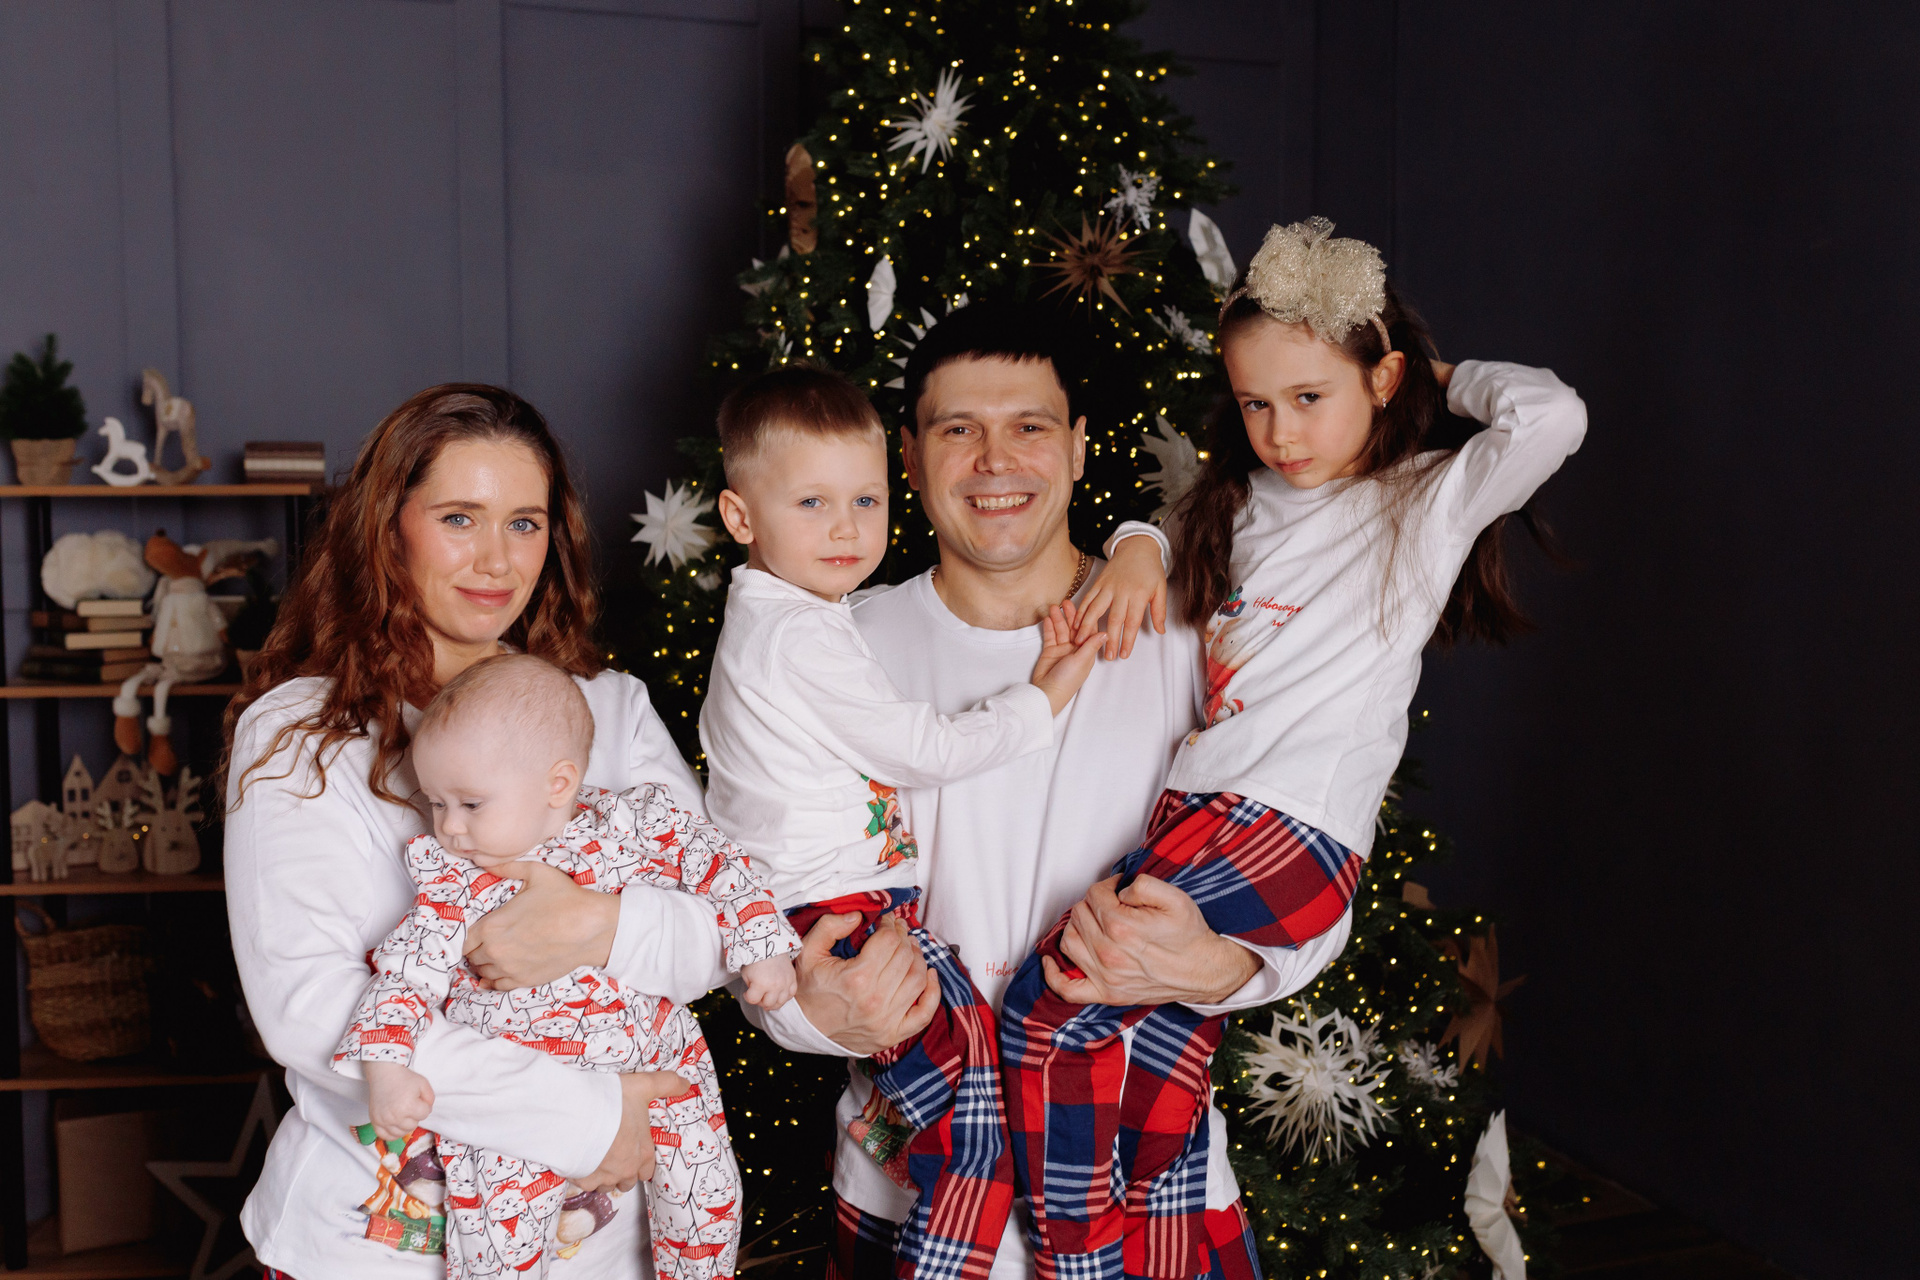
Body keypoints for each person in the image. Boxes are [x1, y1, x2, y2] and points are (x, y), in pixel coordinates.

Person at [997, 218, 1588, 1280]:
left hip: (1286, 818)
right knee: (1156, 1052)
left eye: (1310, 396)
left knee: (1055, 1003)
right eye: (1257, 403)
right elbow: (1164, 526)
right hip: (1201, 812)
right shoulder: (1239, 501)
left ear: (1380, 377)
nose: (1282, 431)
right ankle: (1151, 1249)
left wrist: (1435, 379)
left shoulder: (1421, 500)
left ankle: (1073, 1259)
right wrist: (1137, 546)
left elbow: (1553, 417)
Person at [748, 302, 1354, 1280]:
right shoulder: (829, 650)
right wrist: (811, 1012)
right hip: (909, 1191)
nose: (996, 460)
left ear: (1077, 447)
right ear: (910, 459)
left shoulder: (1192, 634)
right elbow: (748, 912)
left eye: (1029, 425)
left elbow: (1310, 864)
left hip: (1147, 1183)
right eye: (958, 429)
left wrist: (1222, 967)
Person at [223, 385, 725, 1280]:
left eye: (524, 523)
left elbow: (714, 933)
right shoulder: (302, 734)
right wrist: (589, 1119)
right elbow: (308, 1007)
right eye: (460, 518)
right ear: (388, 531)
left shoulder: (607, 711)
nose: (497, 559)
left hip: (607, 1250)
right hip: (372, 1252)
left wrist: (591, 925)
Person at [699, 365, 1105, 1280]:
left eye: (865, 500)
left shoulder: (791, 617)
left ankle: (938, 1212)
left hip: (830, 905)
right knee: (975, 1125)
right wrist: (1043, 698)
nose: (846, 529)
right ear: (740, 516)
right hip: (838, 914)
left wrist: (1138, 542)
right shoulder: (797, 634)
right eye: (812, 502)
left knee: (955, 1099)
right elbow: (921, 748)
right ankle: (952, 1259)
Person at [334, 654, 801, 1280]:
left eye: (470, 804)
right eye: (437, 803)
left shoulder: (634, 824)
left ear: (558, 784)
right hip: (526, 1085)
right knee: (498, 1247)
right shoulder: (454, 883)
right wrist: (387, 1066)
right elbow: (403, 977)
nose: (449, 827)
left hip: (657, 1055)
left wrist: (762, 946)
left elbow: (721, 866)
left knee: (704, 1204)